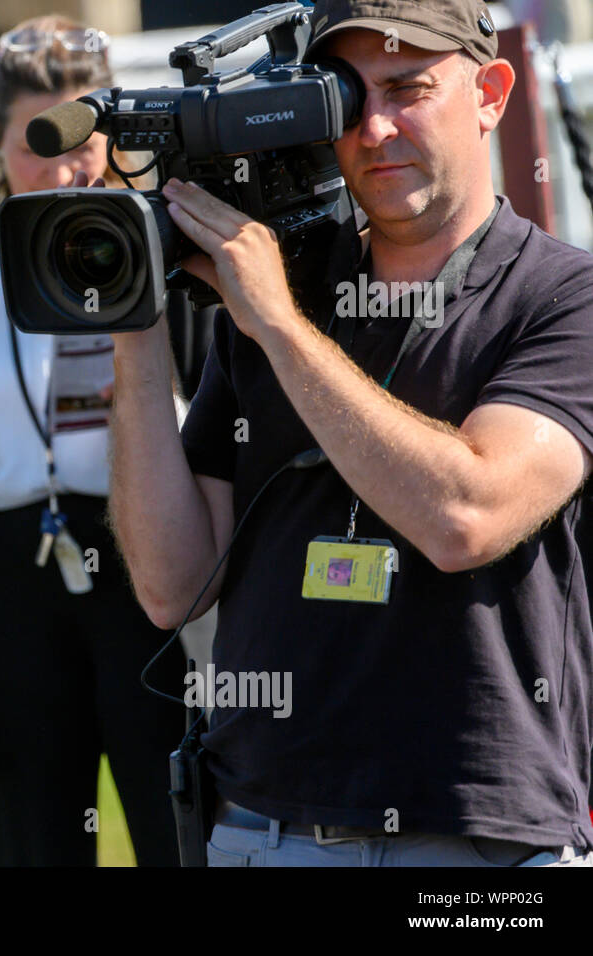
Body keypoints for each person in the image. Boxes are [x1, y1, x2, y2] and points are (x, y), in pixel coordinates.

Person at [108, 0, 593, 866]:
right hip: (263, 827)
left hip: (476, 838)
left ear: (490, 92)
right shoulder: (272, 298)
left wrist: (282, 329)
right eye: (346, 99)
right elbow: (170, 588)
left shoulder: (562, 299)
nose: (375, 128)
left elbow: (465, 519)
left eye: (408, 88)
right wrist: (133, 327)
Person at [0, 15, 187, 867]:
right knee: (33, 840)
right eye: (39, 137)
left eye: (85, 132)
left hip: (150, 571)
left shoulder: (173, 245)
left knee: (178, 827)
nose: (67, 160)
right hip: (6, 585)